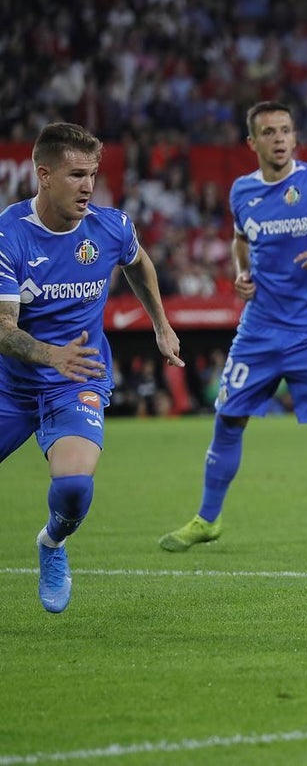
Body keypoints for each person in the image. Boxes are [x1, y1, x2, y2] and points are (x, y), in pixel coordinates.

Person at [159, 101, 307, 554]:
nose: (279, 138)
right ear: (253, 142)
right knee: (228, 418)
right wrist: (242, 273)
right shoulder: (242, 191)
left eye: (285, 130)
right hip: (259, 329)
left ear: (295, 138)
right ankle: (207, 519)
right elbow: (241, 239)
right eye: (269, 132)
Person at [0, 122, 182, 613]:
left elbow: (139, 263)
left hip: (76, 381)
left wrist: (160, 325)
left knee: (76, 487)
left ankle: (52, 545)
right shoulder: (8, 236)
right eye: (76, 175)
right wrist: (49, 353)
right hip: (10, 387)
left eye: (93, 175)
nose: (88, 186)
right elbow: (2, 328)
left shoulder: (111, 227)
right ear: (43, 174)